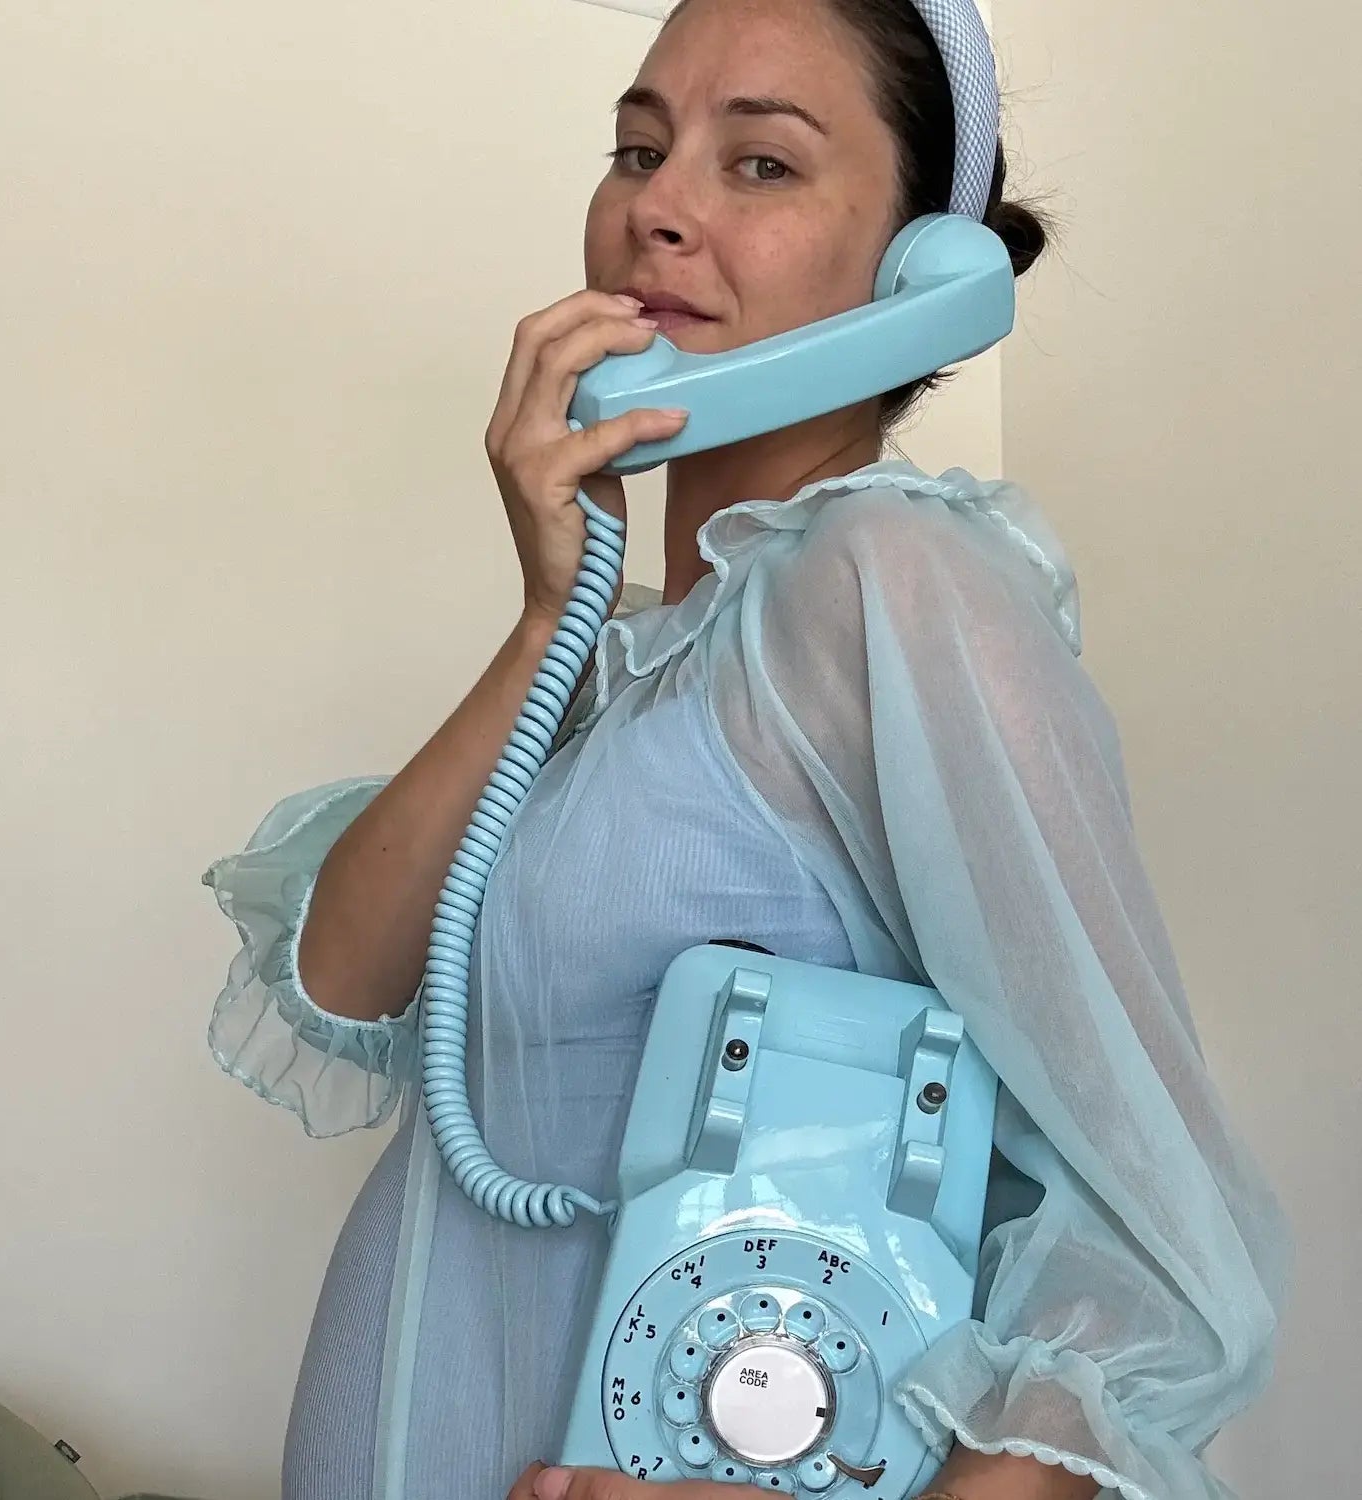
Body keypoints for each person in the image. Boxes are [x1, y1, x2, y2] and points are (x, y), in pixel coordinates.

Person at [201, 0, 1289, 1496]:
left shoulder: (892, 581)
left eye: (761, 163)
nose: (657, 207)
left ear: (921, 270)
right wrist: (550, 613)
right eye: (637, 149)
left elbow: (1170, 1252)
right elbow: (343, 977)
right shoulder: (629, 659)